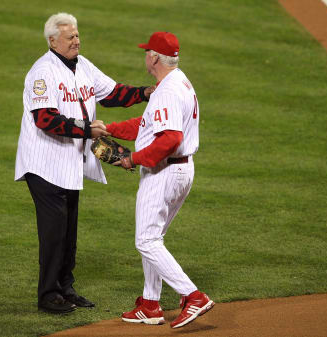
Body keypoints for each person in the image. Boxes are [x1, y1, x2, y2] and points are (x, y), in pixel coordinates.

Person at [15, 13, 154, 314]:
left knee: (68, 233)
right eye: (69, 37)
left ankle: (66, 288)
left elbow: (114, 93)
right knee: (54, 233)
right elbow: (45, 119)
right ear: (53, 41)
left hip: (70, 164)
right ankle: (48, 294)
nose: (76, 40)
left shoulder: (83, 66)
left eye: (77, 35)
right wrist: (85, 128)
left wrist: (144, 92)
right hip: (44, 165)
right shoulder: (42, 73)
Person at [105, 32, 214, 328]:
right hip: (179, 170)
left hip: (164, 171)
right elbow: (147, 125)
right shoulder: (177, 81)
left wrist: (134, 159)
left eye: (147, 52)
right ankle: (150, 305)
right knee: (153, 237)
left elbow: (169, 139)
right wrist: (110, 128)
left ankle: (193, 296)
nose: (145, 56)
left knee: (147, 240)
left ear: (154, 57)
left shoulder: (166, 91)